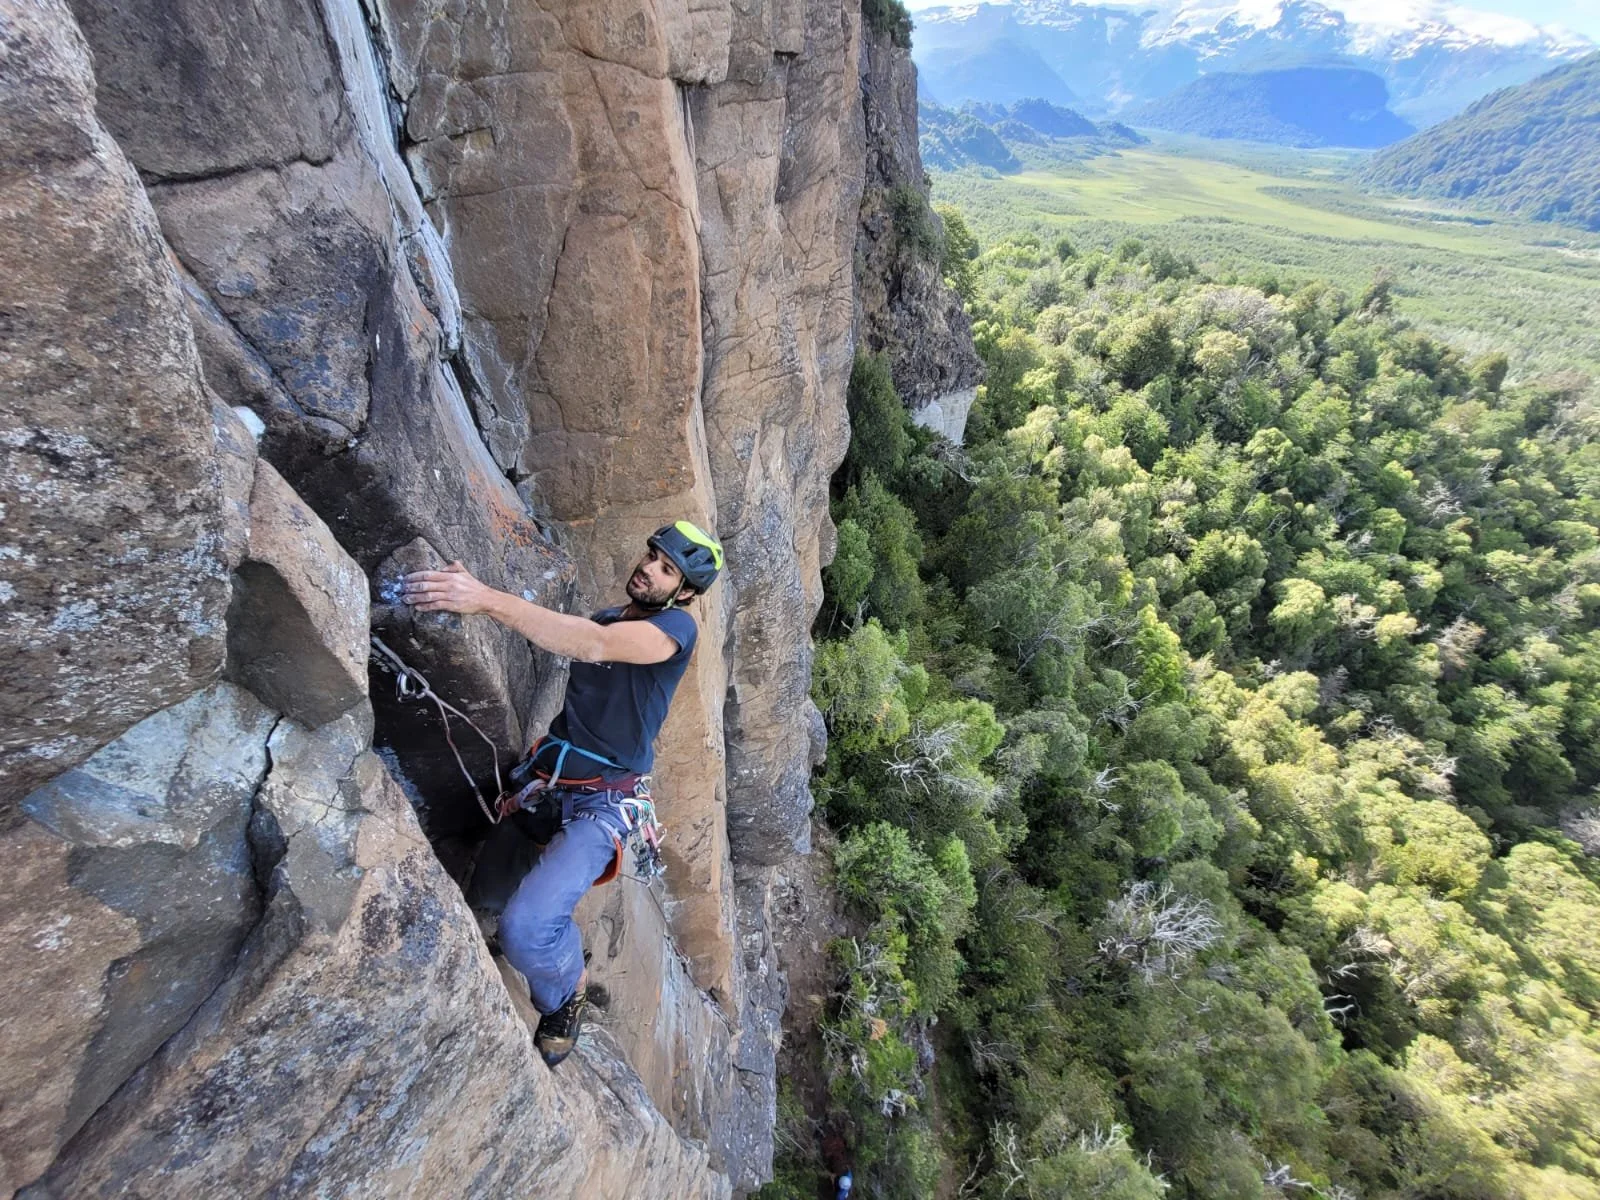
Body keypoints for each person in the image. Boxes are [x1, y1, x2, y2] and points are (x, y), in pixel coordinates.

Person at [401, 520, 723, 1066]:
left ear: (686, 593)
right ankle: (542, 942)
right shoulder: (611, 617)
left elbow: (597, 645)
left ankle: (564, 993)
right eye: (653, 556)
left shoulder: (674, 632)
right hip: (553, 782)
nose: (649, 569)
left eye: (667, 570)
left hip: (604, 805)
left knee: (524, 929)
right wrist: (540, 764)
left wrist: (482, 598)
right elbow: (584, 701)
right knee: (485, 903)